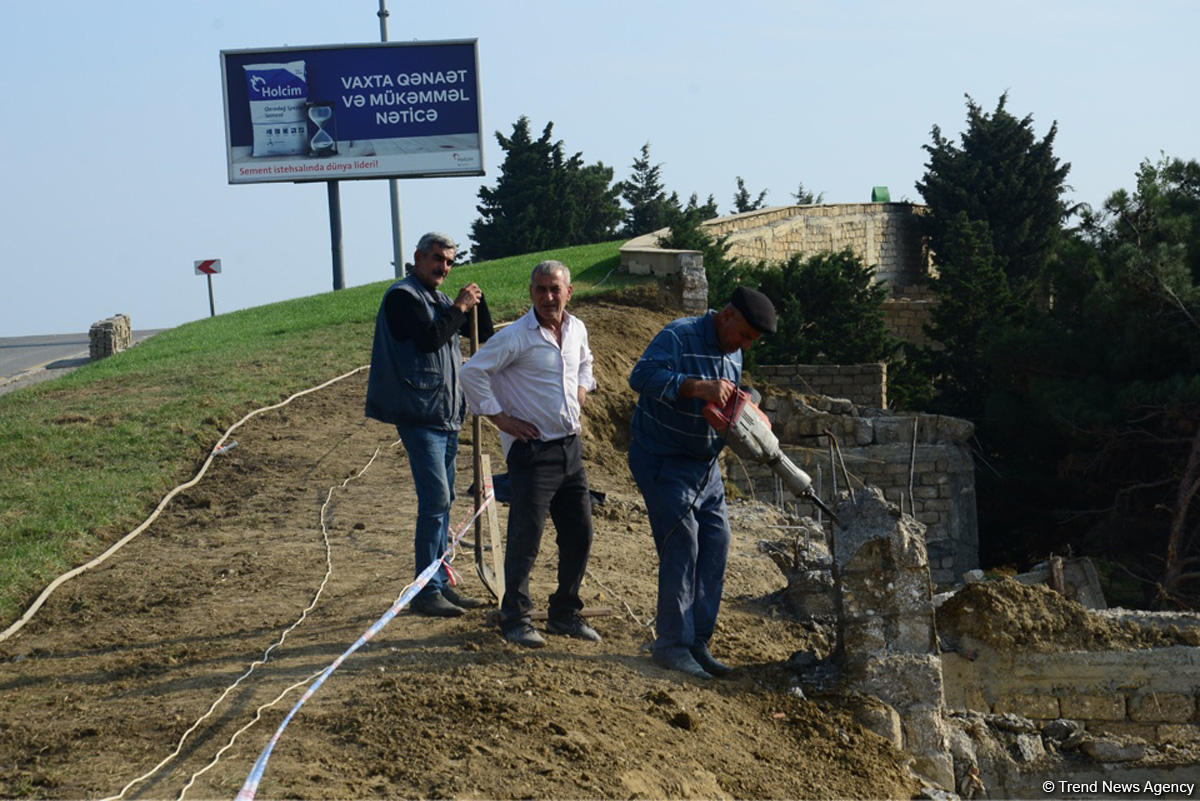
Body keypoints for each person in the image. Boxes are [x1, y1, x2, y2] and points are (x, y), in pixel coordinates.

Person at [627, 286, 777, 678]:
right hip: (663, 457)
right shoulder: (679, 335)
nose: (745, 345)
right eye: (744, 335)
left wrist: (748, 405)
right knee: (682, 543)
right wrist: (694, 386)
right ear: (727, 316)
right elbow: (640, 376)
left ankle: (697, 642)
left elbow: (729, 398)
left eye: (752, 340)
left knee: (716, 543)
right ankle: (671, 646)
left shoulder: (734, 351)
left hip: (706, 467)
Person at [460, 260, 599, 648]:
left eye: (555, 289)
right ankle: (516, 618)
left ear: (568, 292)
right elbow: (471, 372)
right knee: (526, 537)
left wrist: (582, 388)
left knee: (580, 534)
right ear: (531, 292)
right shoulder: (516, 337)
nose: (548, 297)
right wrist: (500, 418)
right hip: (532, 452)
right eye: (540, 289)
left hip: (570, 448)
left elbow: (585, 363)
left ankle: (564, 613)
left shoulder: (576, 329)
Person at [365, 232, 494, 617]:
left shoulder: (439, 300)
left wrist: (478, 302)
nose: (444, 267)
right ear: (418, 257)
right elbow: (429, 339)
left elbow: (483, 334)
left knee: (445, 499)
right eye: (438, 258)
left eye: (450, 262)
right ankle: (425, 591)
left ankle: (440, 581)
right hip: (419, 415)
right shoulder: (402, 298)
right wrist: (459, 306)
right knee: (435, 499)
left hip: (447, 415)